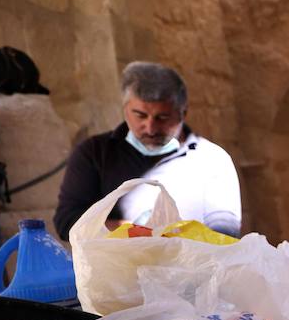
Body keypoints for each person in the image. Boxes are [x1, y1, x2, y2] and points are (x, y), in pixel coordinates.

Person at [53, 62, 241, 238]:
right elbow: (67, 221)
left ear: (183, 113)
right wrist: (136, 233)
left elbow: (225, 230)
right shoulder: (94, 153)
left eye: (162, 117)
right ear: (126, 109)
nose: (150, 128)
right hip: (117, 269)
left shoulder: (211, 160)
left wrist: (177, 239)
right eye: (140, 115)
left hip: (191, 267)